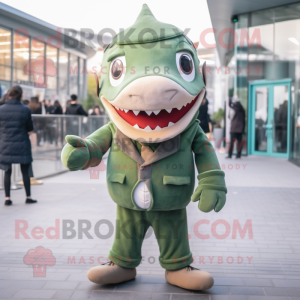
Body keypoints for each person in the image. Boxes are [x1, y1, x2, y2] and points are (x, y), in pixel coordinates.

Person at [0, 85, 37, 205]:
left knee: (7, 171)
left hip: (5, 143)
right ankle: (28, 197)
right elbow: (30, 128)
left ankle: (7, 199)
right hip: (22, 143)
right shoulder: (25, 109)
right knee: (25, 171)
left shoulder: (1, 109)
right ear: (21, 95)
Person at [227, 94, 245, 159]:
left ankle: (230, 155)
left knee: (231, 142)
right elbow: (244, 120)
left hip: (234, 128)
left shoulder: (233, 108)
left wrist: (230, 102)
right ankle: (238, 155)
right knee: (239, 142)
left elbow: (230, 117)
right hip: (240, 128)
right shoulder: (242, 109)